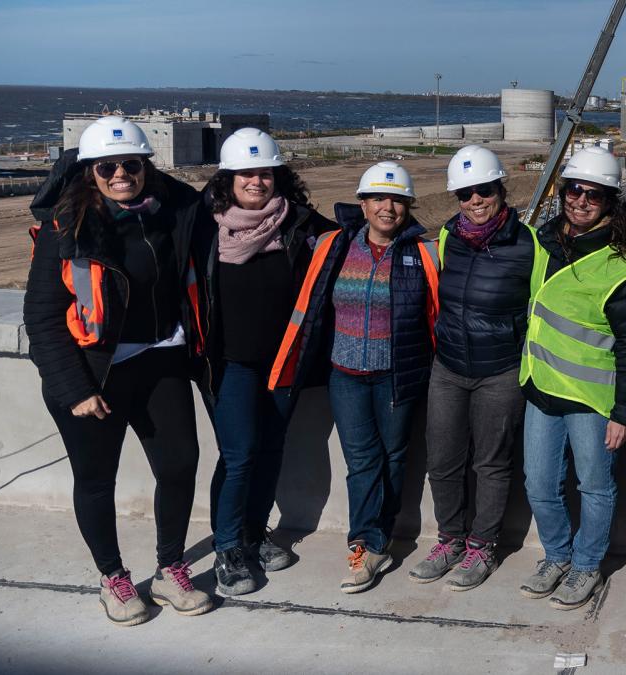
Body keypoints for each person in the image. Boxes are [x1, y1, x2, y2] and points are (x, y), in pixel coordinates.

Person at [23, 117, 212, 626]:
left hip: (161, 359)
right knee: (95, 479)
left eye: (132, 163)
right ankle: (113, 577)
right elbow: (41, 316)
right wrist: (75, 389)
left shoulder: (172, 210)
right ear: (90, 172)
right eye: (107, 166)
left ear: (147, 166)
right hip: (94, 375)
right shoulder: (66, 227)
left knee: (178, 465)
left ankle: (171, 567)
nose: (121, 174)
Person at [267, 161, 438, 593]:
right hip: (345, 376)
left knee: (395, 457)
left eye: (398, 200)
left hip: (395, 376)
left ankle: (380, 535)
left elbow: (435, 315)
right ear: (362, 204)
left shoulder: (422, 253)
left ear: (408, 207)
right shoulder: (333, 246)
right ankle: (364, 543)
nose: (388, 207)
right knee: (362, 461)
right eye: (379, 198)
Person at [197, 128, 337, 596]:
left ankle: (255, 537)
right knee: (239, 457)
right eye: (246, 173)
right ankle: (228, 548)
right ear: (228, 178)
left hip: (283, 362)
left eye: (265, 172)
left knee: (271, 450)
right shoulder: (203, 225)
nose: (257, 181)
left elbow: (346, 241)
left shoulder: (297, 222)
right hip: (229, 361)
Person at [518, 147, 626, 610]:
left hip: (593, 402)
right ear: (562, 191)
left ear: (610, 202)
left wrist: (625, 414)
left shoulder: (620, 268)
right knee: (538, 483)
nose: (581, 201)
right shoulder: (545, 241)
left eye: (594, 195)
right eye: (574, 189)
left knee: (594, 486)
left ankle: (587, 565)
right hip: (541, 389)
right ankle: (557, 556)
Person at [408, 145, 535, 591]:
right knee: (442, 460)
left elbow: (540, 308)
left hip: (499, 371)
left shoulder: (528, 244)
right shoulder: (448, 239)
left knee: (491, 464)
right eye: (465, 193)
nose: (475, 200)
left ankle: (482, 546)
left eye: (483, 190)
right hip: (448, 368)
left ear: (500, 190)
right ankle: (449, 540)